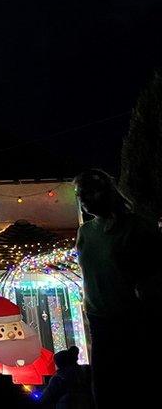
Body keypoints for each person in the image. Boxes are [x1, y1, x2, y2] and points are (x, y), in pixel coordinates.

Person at [74, 169, 162, 407]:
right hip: (99, 319)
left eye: (88, 192)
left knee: (134, 383)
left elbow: (152, 274)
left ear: (105, 193)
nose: (83, 199)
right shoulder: (86, 232)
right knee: (104, 386)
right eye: (79, 194)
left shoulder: (136, 227)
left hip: (131, 318)